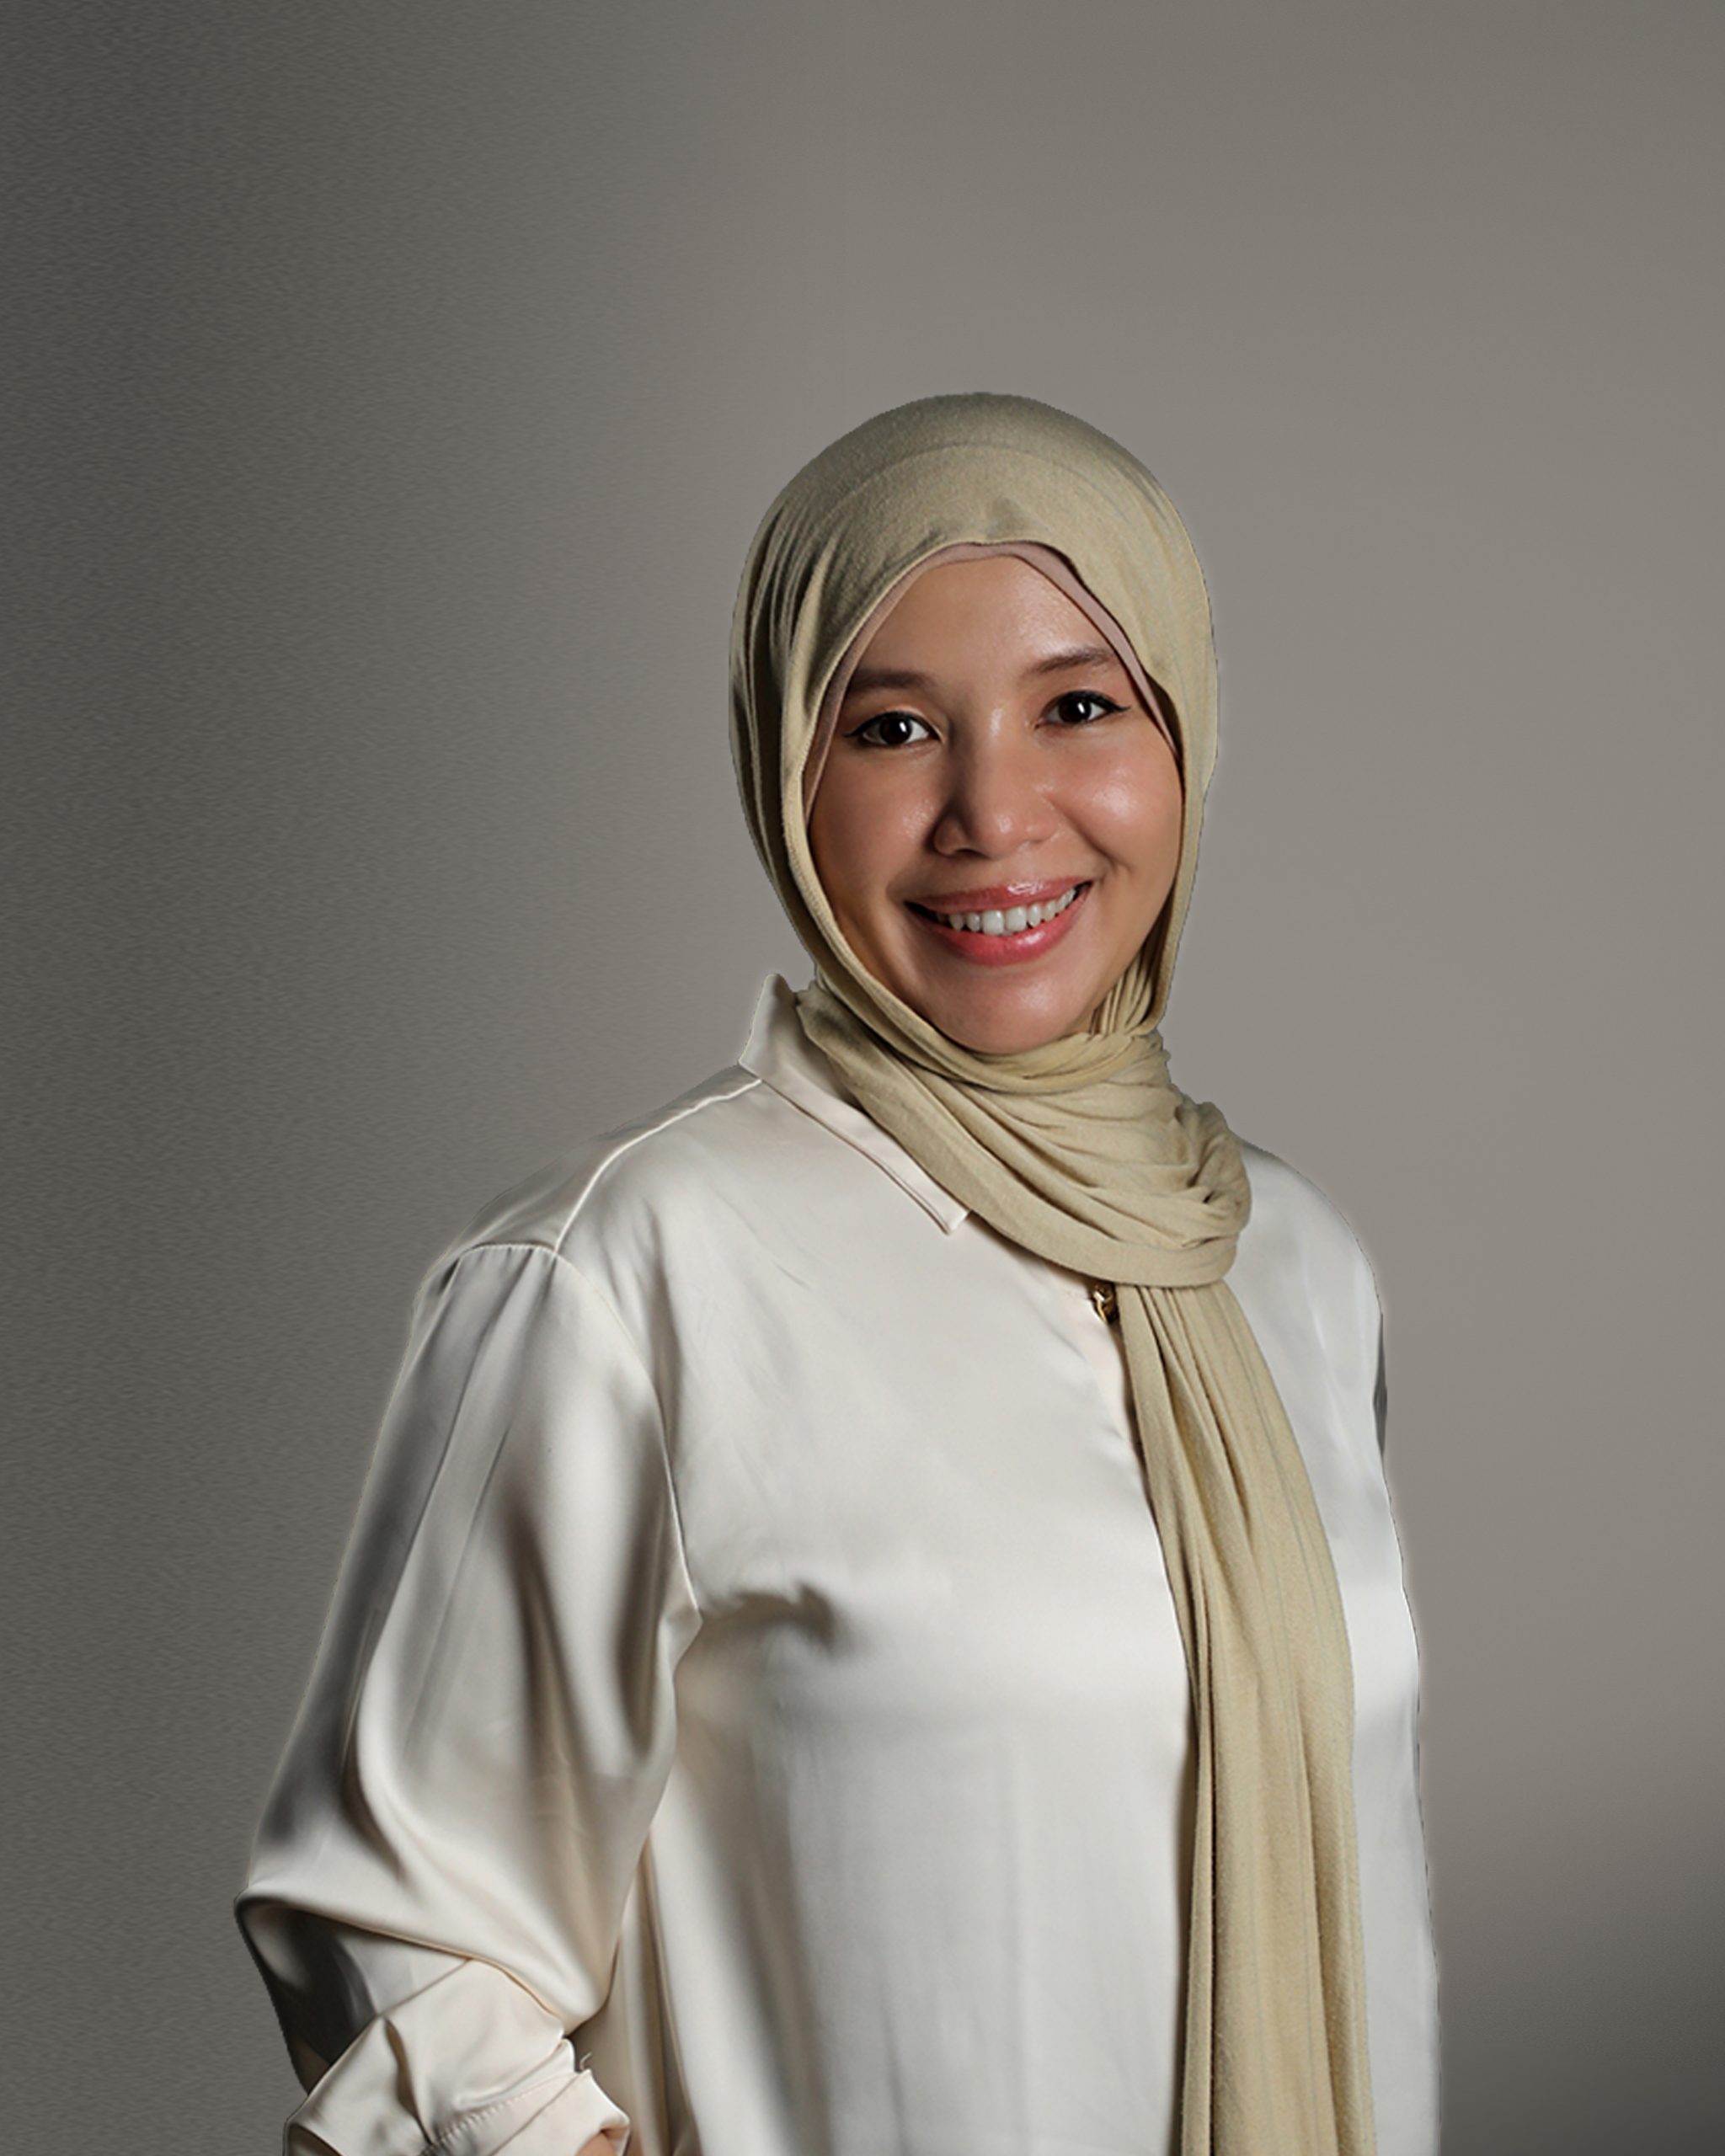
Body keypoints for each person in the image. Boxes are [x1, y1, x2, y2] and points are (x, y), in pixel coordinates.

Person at [234, 391, 1441, 2156]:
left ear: (1184, 732)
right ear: (788, 772)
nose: (993, 813)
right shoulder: (627, 1271)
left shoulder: (1286, 1262)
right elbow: (399, 1939)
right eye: (892, 728)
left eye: (1079, 707)